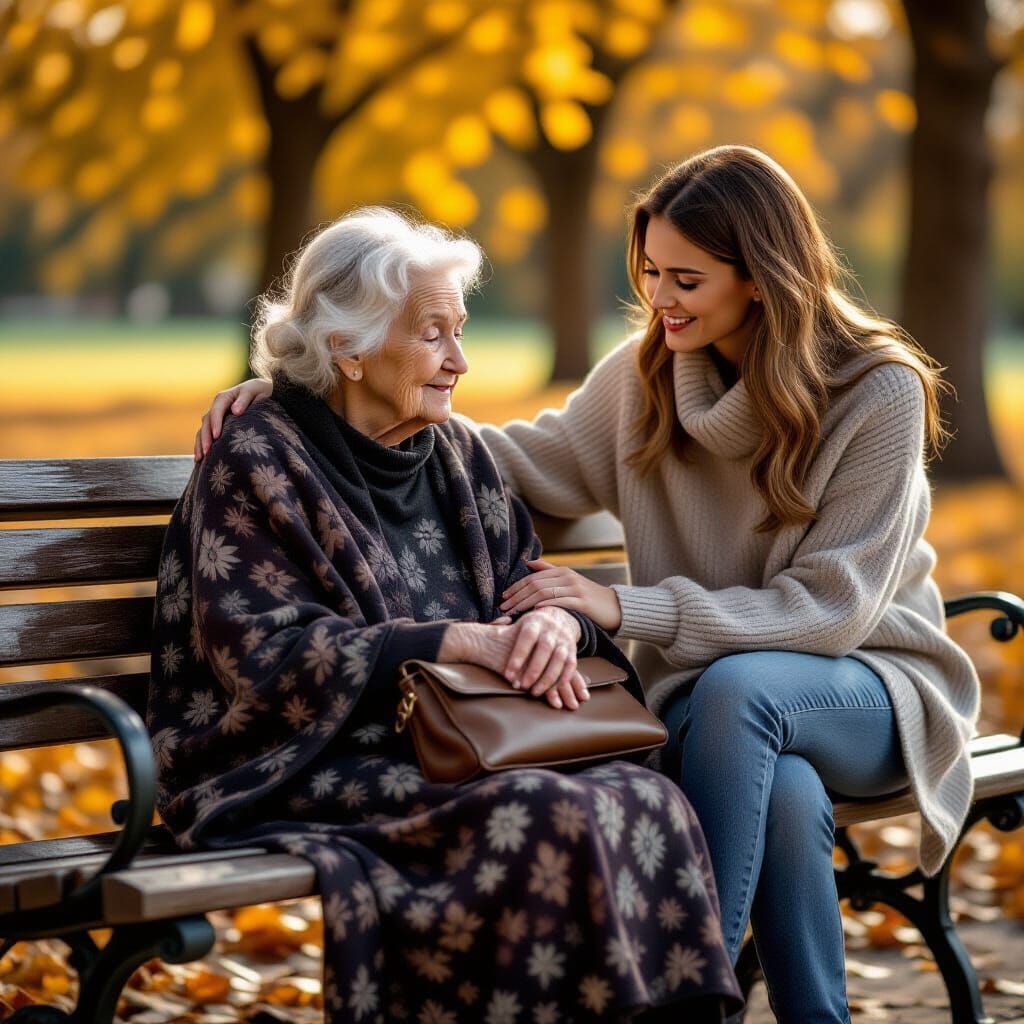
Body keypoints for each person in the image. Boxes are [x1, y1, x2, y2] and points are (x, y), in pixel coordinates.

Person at [197, 147, 981, 1024]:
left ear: (761, 277)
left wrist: (620, 607)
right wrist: (297, 387)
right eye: (649, 271)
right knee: (785, 790)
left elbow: (833, 609)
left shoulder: (875, 389)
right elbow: (481, 458)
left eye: (687, 278)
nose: (660, 299)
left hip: (870, 684)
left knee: (741, 695)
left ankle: (692, 998)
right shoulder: (646, 375)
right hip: (722, 701)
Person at [152, 206, 742, 1024]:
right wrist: (456, 641)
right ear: (347, 348)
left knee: (651, 798)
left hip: (469, 745)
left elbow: (527, 582)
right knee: (547, 816)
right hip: (307, 762)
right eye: (433, 334)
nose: (460, 360)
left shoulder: (459, 453)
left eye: (458, 331)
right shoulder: (257, 459)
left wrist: (555, 626)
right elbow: (262, 656)